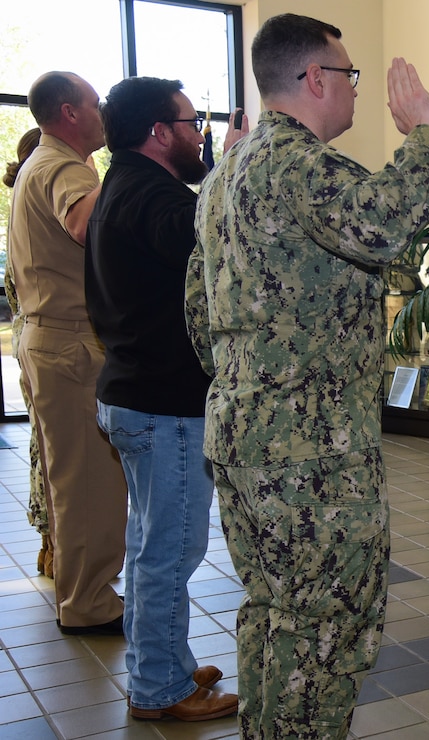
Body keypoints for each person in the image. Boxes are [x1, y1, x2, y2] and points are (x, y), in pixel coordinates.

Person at [186, 13, 429, 737]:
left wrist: (255, 385)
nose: (358, 92)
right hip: (311, 458)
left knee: (273, 612)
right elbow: (386, 224)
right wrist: (425, 134)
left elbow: (197, 308)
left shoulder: (224, 176)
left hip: (241, 437)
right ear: (313, 80)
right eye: (349, 76)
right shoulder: (300, 164)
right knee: (329, 627)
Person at [85, 77, 244, 722]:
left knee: (156, 544)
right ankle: (158, 687)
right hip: (161, 406)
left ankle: (168, 664)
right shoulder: (146, 195)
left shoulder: (125, 185)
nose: (198, 134)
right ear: (160, 132)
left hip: (139, 400)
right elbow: (200, 235)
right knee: (168, 553)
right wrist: (231, 167)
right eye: (190, 122)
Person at [7, 71, 128, 635]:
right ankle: (89, 604)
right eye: (95, 102)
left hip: (48, 338)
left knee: (72, 480)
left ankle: (81, 591)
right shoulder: (62, 166)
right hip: (70, 343)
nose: (103, 110)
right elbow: (83, 223)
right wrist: (128, 162)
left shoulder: (42, 162)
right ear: (69, 113)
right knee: (88, 487)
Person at [3, 126, 50, 578]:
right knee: (59, 459)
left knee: (44, 449)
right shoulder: (44, 210)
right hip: (50, 341)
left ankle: (49, 545)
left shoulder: (19, 213)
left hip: (26, 342)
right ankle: (56, 545)